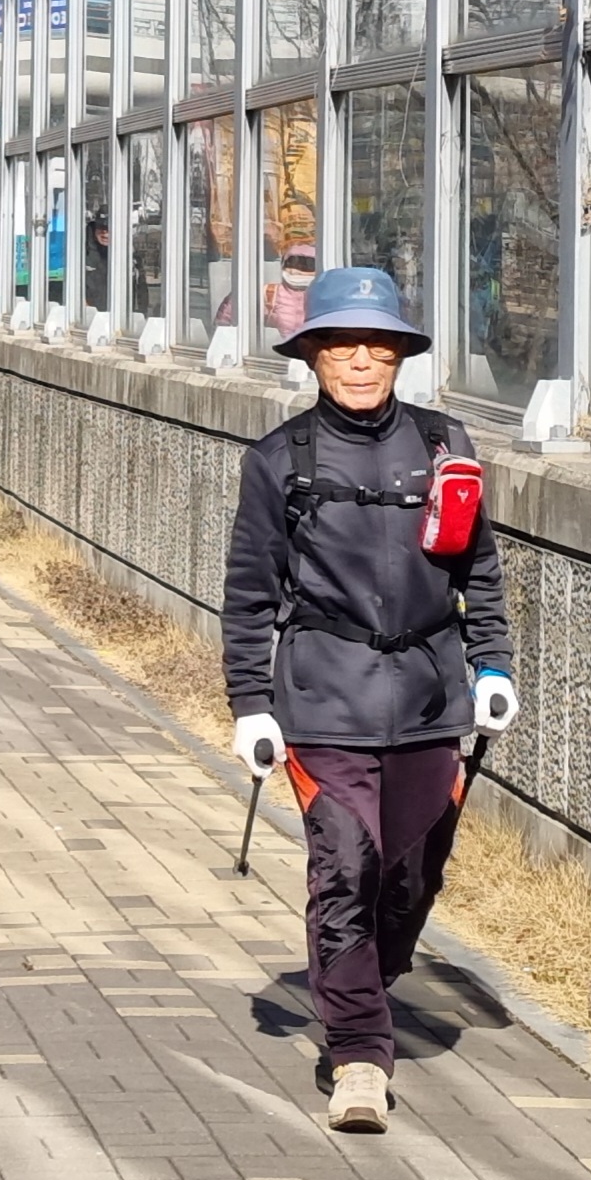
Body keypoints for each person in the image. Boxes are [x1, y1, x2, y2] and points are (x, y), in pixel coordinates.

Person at [220, 267, 519, 1133]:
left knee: (412, 874)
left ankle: (364, 983)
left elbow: (480, 569)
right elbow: (248, 594)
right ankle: (357, 1054)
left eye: (377, 344)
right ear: (312, 353)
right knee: (346, 865)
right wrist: (250, 702)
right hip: (324, 699)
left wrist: (492, 665)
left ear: (400, 354)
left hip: (429, 695)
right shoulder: (279, 460)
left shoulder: (445, 443)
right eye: (342, 344)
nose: (360, 360)